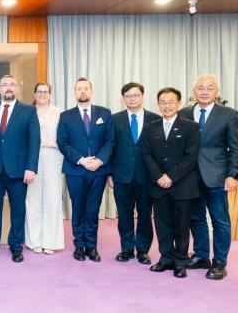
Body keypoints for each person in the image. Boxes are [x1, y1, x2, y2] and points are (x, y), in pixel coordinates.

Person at [179, 74, 238, 280]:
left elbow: (235, 148)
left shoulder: (229, 114)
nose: (205, 92)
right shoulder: (183, 113)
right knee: (196, 218)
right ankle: (201, 256)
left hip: (217, 177)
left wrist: (233, 175)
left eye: (210, 88)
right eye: (200, 88)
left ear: (217, 92)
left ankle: (220, 262)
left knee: (220, 221)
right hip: (189, 177)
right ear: (193, 91)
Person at [0, 75, 40, 263]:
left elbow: (34, 140)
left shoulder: (29, 111)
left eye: (12, 84)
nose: (8, 88)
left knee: (18, 211)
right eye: (4, 84)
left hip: (19, 171)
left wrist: (31, 167)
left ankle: (16, 247)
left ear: (17, 88)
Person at [142, 87, 200, 278]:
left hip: (182, 186)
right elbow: (147, 154)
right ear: (158, 105)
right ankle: (165, 259)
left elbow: (190, 157)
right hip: (158, 186)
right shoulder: (151, 127)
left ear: (179, 104)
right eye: (163, 102)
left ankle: (180, 262)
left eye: (170, 102)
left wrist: (171, 177)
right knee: (162, 225)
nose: (166, 105)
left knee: (181, 227)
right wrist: (159, 176)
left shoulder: (190, 127)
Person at [57, 77, 114, 263]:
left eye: (86, 88)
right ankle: (79, 246)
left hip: (98, 171)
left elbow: (110, 141)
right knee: (78, 209)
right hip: (75, 170)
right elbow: (62, 142)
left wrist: (99, 160)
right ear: (74, 93)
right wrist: (81, 160)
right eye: (79, 89)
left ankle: (92, 246)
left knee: (92, 210)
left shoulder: (105, 114)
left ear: (91, 91)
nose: (82, 92)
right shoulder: (66, 116)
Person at [110, 82, 160, 265]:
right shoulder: (115, 119)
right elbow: (110, 147)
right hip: (121, 175)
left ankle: (143, 250)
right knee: (124, 214)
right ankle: (127, 249)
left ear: (142, 96)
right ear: (123, 99)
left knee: (145, 215)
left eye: (135, 95)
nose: (132, 99)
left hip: (147, 176)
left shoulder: (155, 119)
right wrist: (109, 173)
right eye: (128, 96)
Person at [24, 82, 65, 255]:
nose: (42, 94)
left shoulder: (59, 112)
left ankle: (51, 241)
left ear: (50, 94)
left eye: (45, 92)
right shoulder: (27, 112)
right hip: (31, 157)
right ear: (34, 94)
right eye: (39, 91)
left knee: (52, 199)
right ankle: (34, 240)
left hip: (53, 156)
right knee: (33, 200)